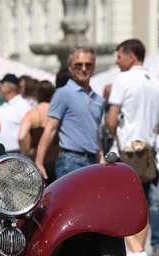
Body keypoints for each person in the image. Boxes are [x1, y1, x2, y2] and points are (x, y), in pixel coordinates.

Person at [105, 38, 159, 256]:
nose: (117, 61)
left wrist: (112, 132)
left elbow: (111, 119)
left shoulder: (123, 79)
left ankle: (135, 250)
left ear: (131, 56)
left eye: (119, 56)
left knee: (115, 203)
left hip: (126, 151)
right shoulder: (155, 82)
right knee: (143, 205)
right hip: (149, 151)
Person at [35, 46, 106, 180]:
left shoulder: (98, 99)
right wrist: (39, 162)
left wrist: (101, 158)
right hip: (71, 161)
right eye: (78, 65)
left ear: (94, 66)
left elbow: (95, 132)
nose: (84, 69)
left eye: (88, 65)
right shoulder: (63, 93)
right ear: (70, 67)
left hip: (93, 162)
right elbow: (50, 128)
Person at [18, 80, 57, 184]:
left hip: (38, 163)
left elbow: (21, 137)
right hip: (57, 161)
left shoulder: (32, 114)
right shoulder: (57, 113)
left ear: (36, 94)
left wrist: (26, 152)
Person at [0, 73, 32, 154]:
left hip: (15, 154)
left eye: (2, 84)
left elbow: (28, 133)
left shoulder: (23, 105)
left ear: (9, 87)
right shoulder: (2, 106)